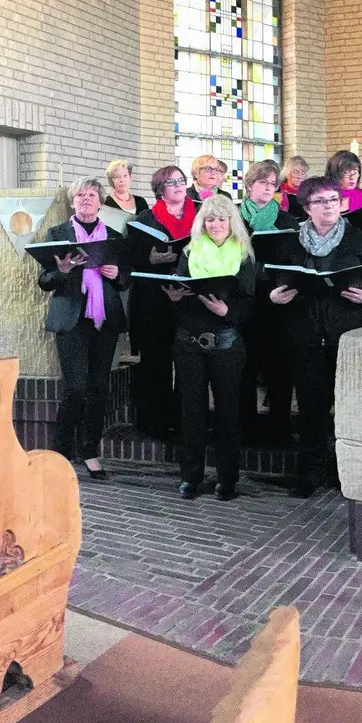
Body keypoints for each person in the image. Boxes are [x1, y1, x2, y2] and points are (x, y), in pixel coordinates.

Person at [267, 176, 362, 497]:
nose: (328, 206)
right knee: (311, 407)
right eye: (320, 201)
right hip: (305, 335)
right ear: (306, 208)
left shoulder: (360, 240)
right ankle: (311, 471)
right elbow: (272, 284)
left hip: (349, 335)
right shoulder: (289, 244)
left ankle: (349, 471)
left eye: (333, 200)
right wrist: (274, 297)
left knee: (350, 408)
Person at [162, 195, 257, 500]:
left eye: (222, 219)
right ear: (201, 222)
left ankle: (227, 479)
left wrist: (226, 312)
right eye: (210, 219)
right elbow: (178, 297)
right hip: (188, 341)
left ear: (232, 222)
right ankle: (191, 477)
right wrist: (174, 300)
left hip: (226, 343)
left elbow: (250, 305)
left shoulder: (244, 256)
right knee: (192, 412)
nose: (216, 225)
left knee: (228, 412)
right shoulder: (189, 252)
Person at [39, 177, 129, 480]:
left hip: (104, 321)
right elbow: (44, 281)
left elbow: (125, 281)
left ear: (100, 202)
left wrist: (116, 274)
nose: (86, 199)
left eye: (92, 194)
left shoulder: (114, 236)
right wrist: (62, 271)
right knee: (76, 388)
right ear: (73, 201)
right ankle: (62, 452)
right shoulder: (58, 233)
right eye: (81, 195)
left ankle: (90, 452)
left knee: (98, 388)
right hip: (72, 319)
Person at [127, 165, 193, 441]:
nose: (178, 186)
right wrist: (150, 260)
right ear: (159, 190)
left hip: (190, 297)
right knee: (157, 362)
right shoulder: (144, 218)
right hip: (154, 299)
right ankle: (157, 421)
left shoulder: (202, 215)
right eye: (170, 182)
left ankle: (186, 420)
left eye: (181, 181)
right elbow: (130, 259)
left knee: (189, 363)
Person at [237, 161, 300, 447]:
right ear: (250, 186)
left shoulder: (286, 219)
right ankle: (245, 429)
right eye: (263, 182)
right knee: (244, 369)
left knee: (279, 367)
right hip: (244, 299)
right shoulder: (235, 216)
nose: (268, 188)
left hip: (277, 300)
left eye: (273, 184)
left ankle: (279, 428)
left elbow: (292, 259)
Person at [278, 156, 308, 221]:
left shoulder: (307, 192)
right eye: (296, 172)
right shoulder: (278, 191)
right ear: (287, 173)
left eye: (303, 173)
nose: (300, 176)